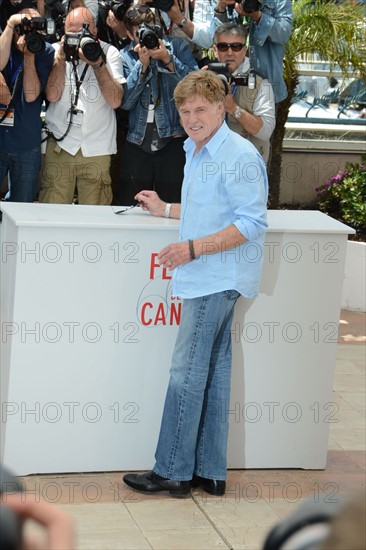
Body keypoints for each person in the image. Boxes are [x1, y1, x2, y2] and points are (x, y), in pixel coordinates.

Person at [122, 70, 268, 497]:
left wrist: (192, 250)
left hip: (214, 277)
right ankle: (209, 472)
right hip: (212, 276)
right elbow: (211, 211)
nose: (191, 118)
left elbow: (251, 222)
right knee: (213, 373)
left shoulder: (237, 154)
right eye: (184, 111)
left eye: (200, 109)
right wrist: (166, 209)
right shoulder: (197, 149)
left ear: (221, 107)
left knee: (184, 373)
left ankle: (172, 470)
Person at [38, 7, 124, 205]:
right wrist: (61, 55)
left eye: (83, 31)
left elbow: (115, 100)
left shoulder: (109, 52)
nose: (77, 37)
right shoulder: (54, 51)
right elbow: (52, 95)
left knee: (95, 218)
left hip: (96, 148)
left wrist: (97, 63)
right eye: (72, 32)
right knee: (52, 212)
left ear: (94, 32)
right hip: (60, 146)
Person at [118, 3, 198, 206]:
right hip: (138, 140)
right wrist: (142, 66)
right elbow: (125, 102)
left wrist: (168, 59)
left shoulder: (178, 47)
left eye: (151, 30)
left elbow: (195, 87)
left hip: (173, 139)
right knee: (132, 204)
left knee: (172, 204)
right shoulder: (125, 57)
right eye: (139, 33)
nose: (147, 37)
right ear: (129, 34)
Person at [0, 7, 54, 202]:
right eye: (26, 26)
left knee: (22, 206)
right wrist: (10, 23)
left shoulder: (45, 51)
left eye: (36, 27)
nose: (31, 33)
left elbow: (31, 95)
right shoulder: (4, 41)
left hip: (25, 142)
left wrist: (29, 56)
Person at [212, 22, 275, 163]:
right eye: (223, 46)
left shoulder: (260, 83)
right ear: (215, 50)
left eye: (236, 46)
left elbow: (265, 131)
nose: (229, 53)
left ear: (244, 50)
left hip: (246, 169)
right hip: (211, 167)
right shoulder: (204, 77)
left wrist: (232, 108)